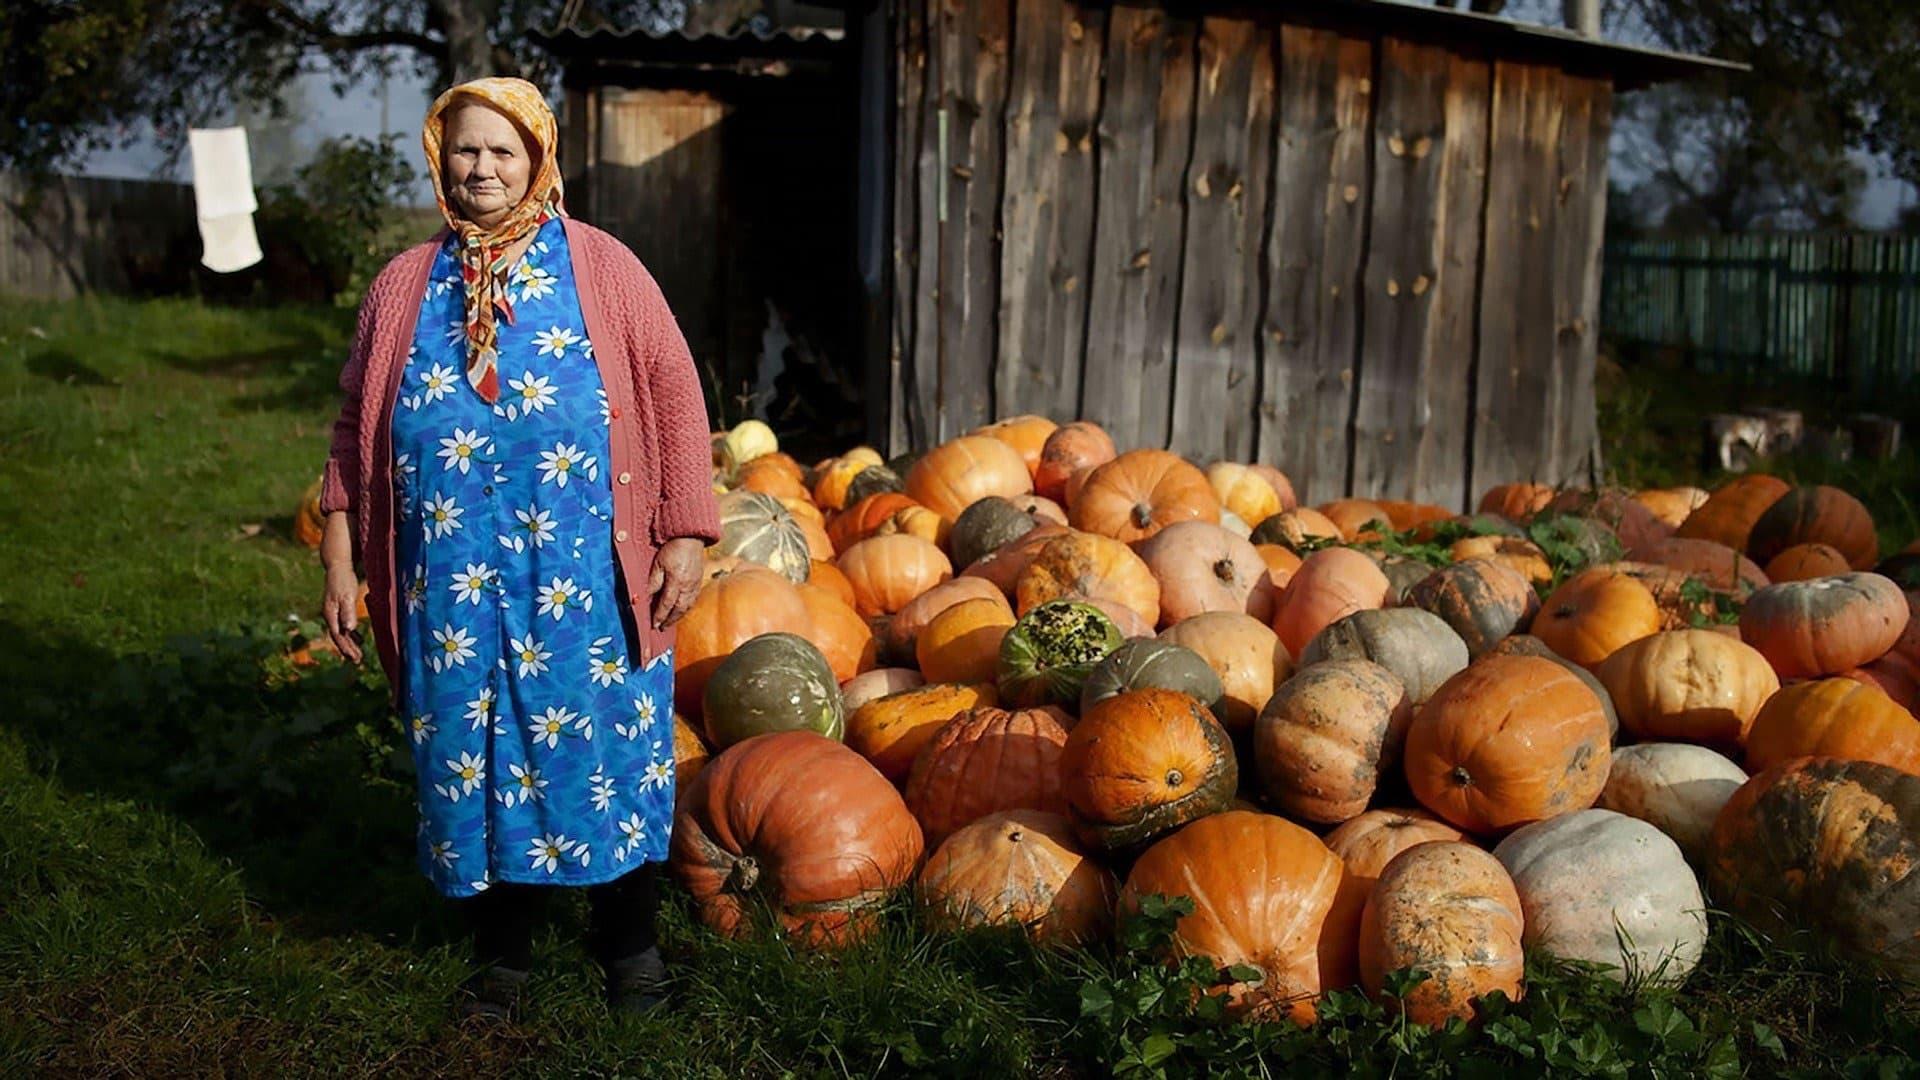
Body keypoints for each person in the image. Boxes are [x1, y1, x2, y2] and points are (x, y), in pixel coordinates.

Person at [316, 77, 719, 1020]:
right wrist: (340, 552)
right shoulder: (404, 283)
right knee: (471, 752)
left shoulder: (604, 266)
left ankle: (631, 951)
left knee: (604, 754)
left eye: (503, 150)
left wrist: (688, 529)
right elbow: (352, 430)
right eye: (465, 149)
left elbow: (672, 390)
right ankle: (502, 960)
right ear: (440, 158)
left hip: (583, 577)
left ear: (537, 157)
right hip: (447, 586)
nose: (482, 167)